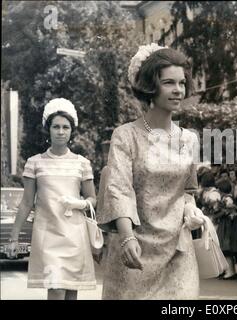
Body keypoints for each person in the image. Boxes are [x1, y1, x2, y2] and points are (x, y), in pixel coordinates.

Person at [97, 44, 205, 299]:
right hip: (135, 250)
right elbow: (119, 190)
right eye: (169, 83)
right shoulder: (126, 136)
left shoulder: (189, 139)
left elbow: (188, 191)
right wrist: (126, 238)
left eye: (181, 83)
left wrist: (191, 209)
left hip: (178, 251)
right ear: (150, 87)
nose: (178, 90)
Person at [6, 98, 97, 300]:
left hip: (74, 236)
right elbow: (26, 203)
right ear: (49, 129)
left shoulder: (81, 164)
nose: (61, 131)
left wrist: (79, 203)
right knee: (56, 289)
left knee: (71, 293)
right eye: (56, 126)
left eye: (65, 127)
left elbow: (93, 198)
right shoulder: (34, 163)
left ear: (71, 131)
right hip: (48, 237)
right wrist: (13, 238)